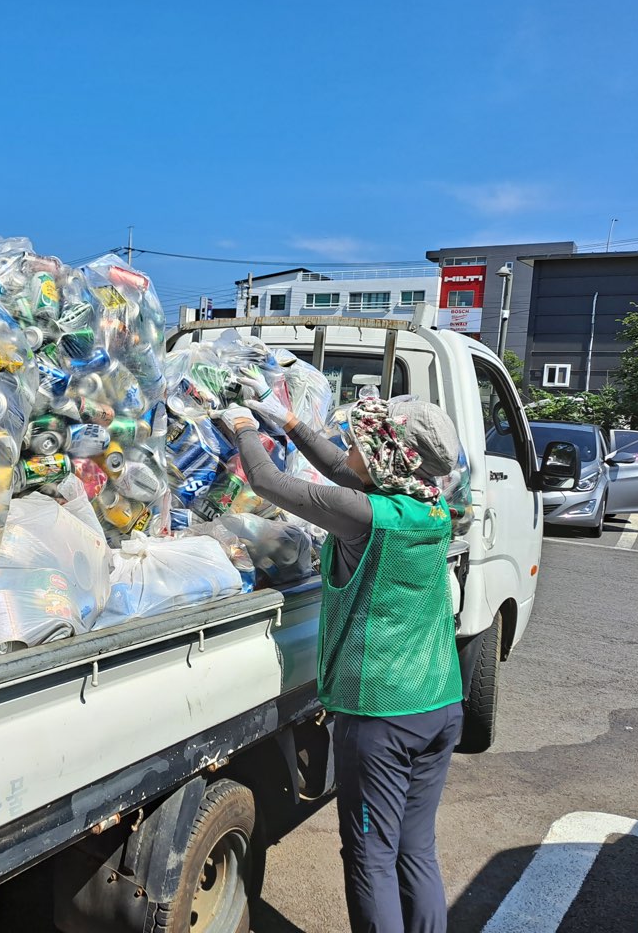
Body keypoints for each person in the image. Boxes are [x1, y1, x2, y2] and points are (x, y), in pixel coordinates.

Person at [217, 369, 464, 933]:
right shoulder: (429, 508)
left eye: (362, 440)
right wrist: (291, 420)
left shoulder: (365, 517)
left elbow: (269, 483)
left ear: (386, 458)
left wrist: (241, 428)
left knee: (370, 855)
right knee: (414, 849)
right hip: (439, 702)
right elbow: (341, 469)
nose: (352, 446)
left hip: (382, 715)